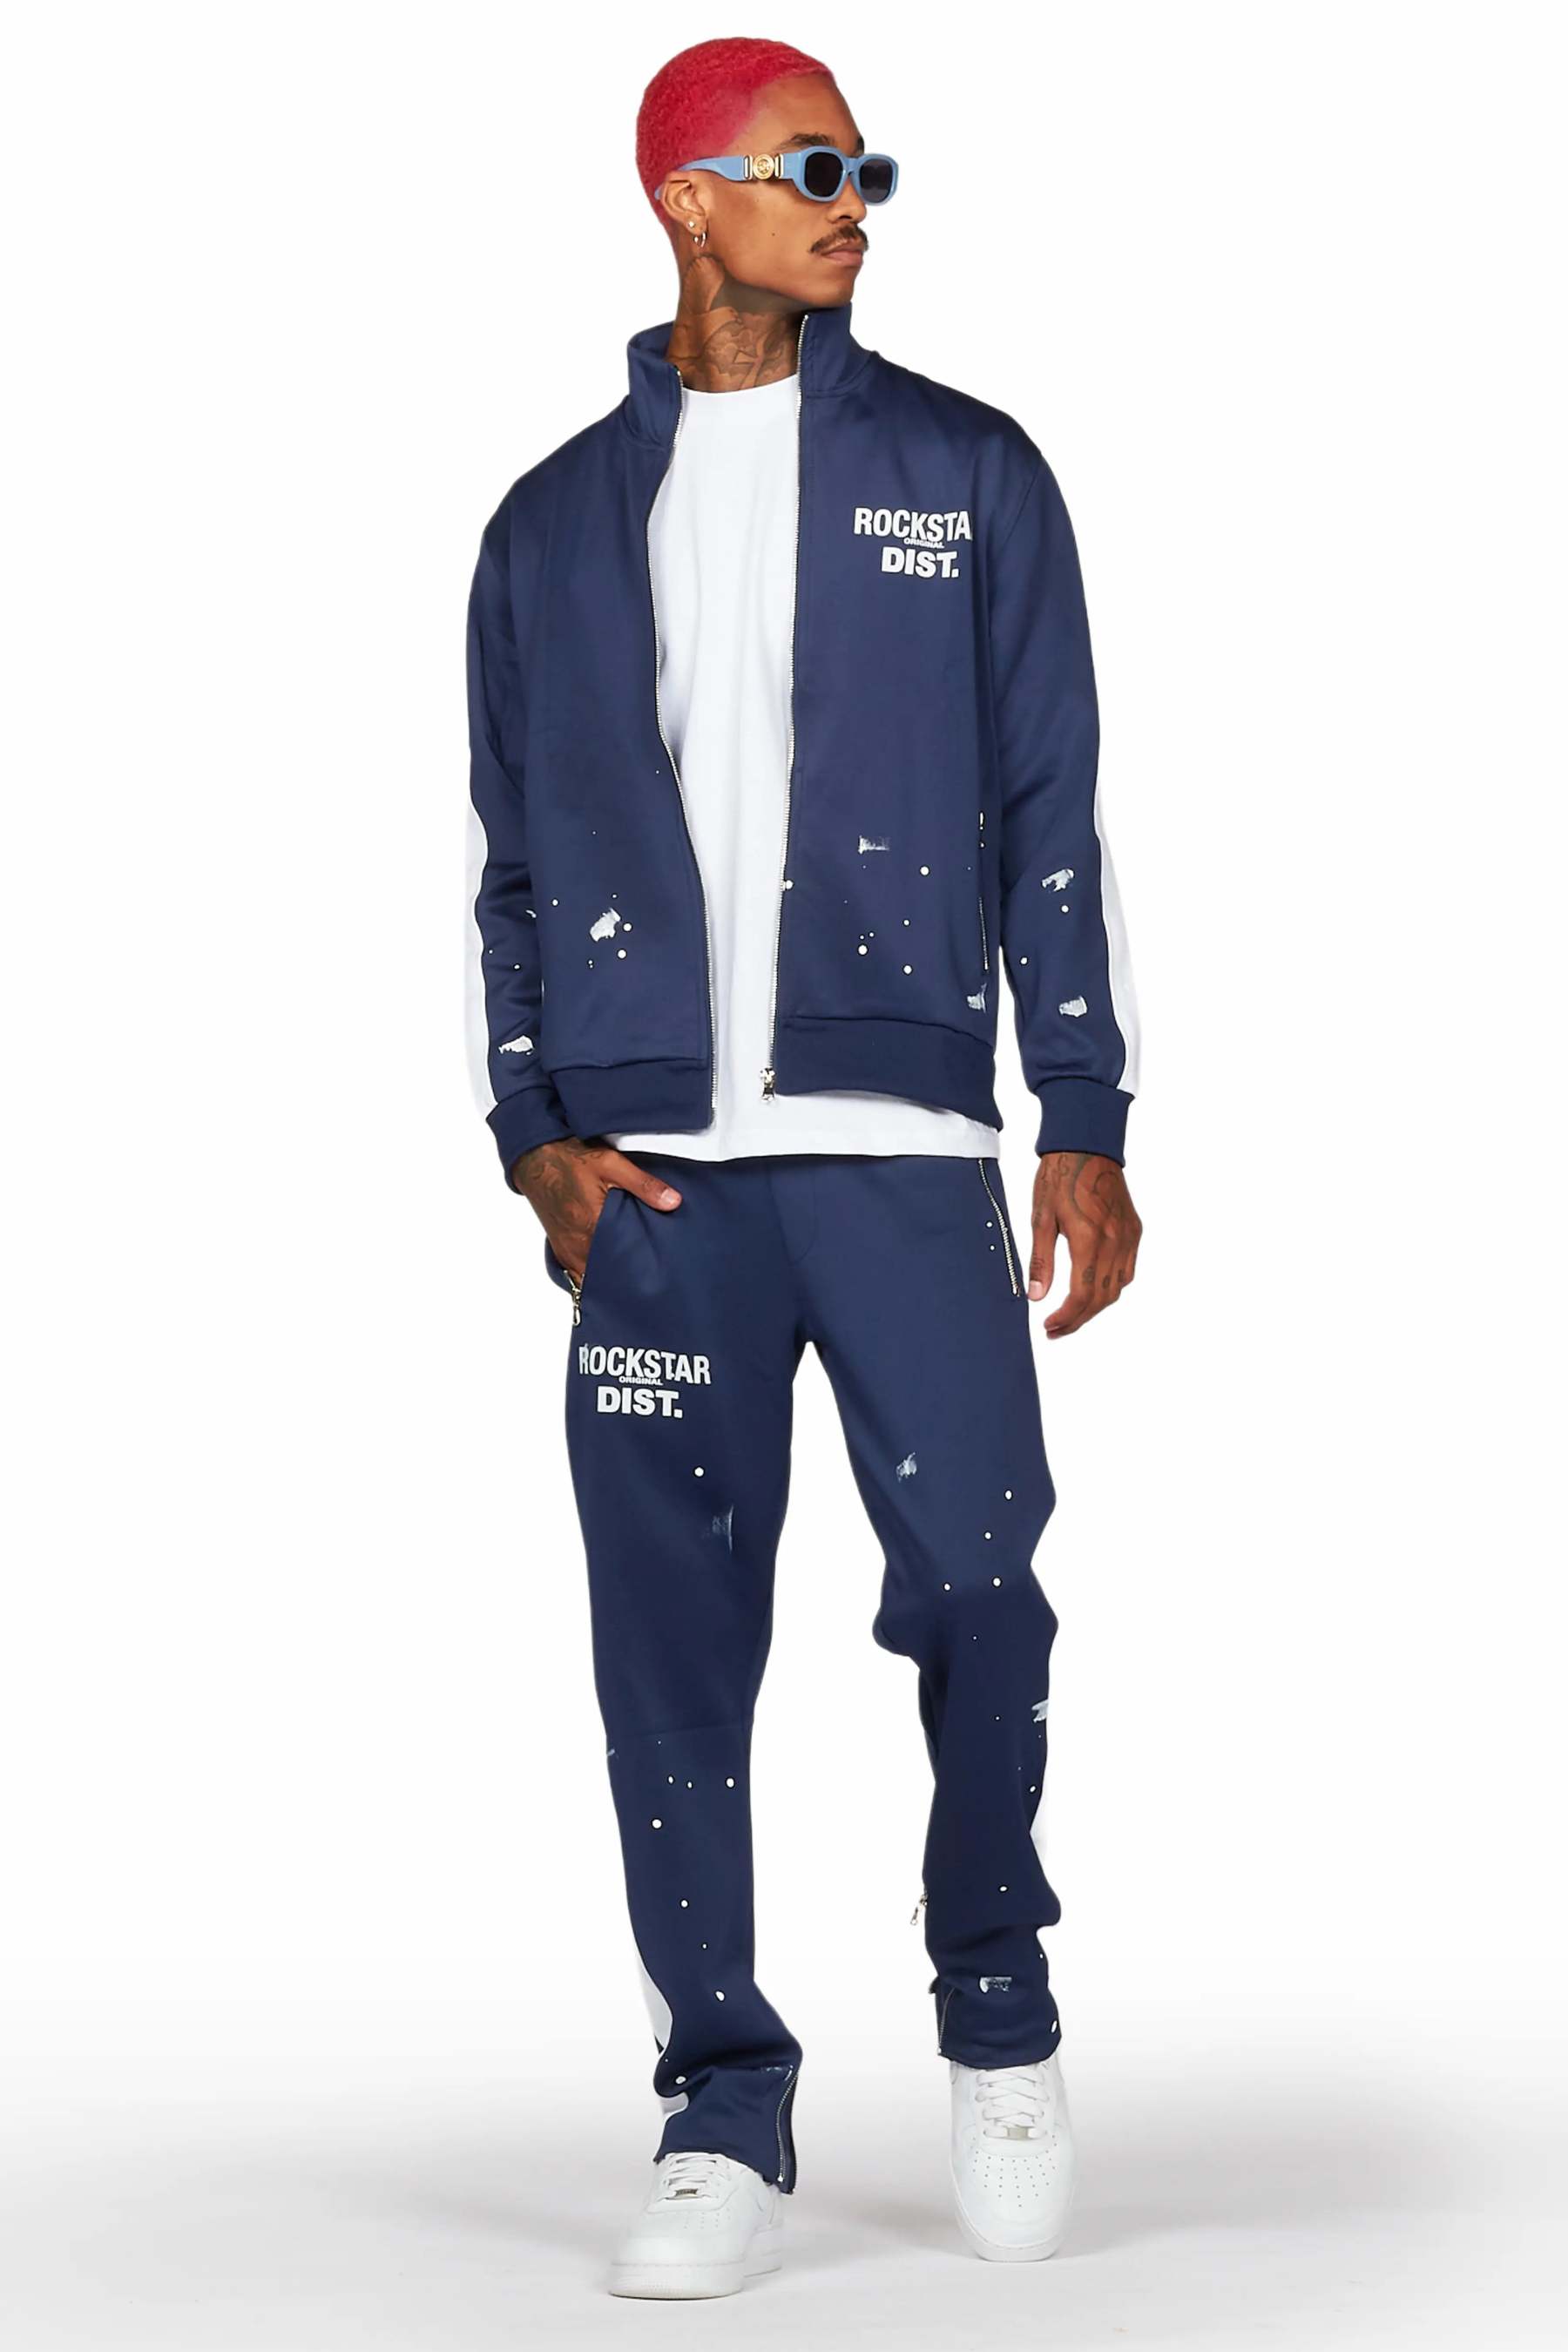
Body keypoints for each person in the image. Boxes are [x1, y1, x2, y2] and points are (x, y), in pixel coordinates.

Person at [465, 35, 1142, 2299]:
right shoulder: (550, 524)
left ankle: (999, 2003)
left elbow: (1052, 811)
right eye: (811, 166)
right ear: (689, 196)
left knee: (981, 1576)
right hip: (656, 1181)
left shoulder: (968, 472)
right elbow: (508, 863)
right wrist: (533, 1133)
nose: (853, 204)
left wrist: (1084, 1113)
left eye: (867, 172)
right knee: (669, 1644)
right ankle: (720, 2106)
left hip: (900, 1150)